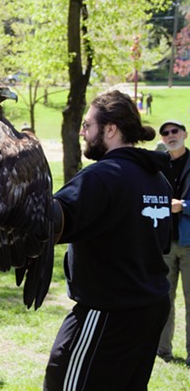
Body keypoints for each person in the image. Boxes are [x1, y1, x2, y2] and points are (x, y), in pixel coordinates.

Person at [44, 90, 172, 390]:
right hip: (151, 307)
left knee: (64, 383)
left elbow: (50, 221)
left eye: (87, 125)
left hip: (108, 311)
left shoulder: (101, 176)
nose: (83, 132)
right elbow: (160, 243)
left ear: (110, 129)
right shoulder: (158, 179)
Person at [157, 120, 190, 365]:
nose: (170, 136)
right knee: (162, 300)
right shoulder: (159, 166)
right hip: (165, 244)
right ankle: (162, 351)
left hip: (189, 244)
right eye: (165, 133)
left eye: (174, 131)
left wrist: (184, 206)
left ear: (185, 134)